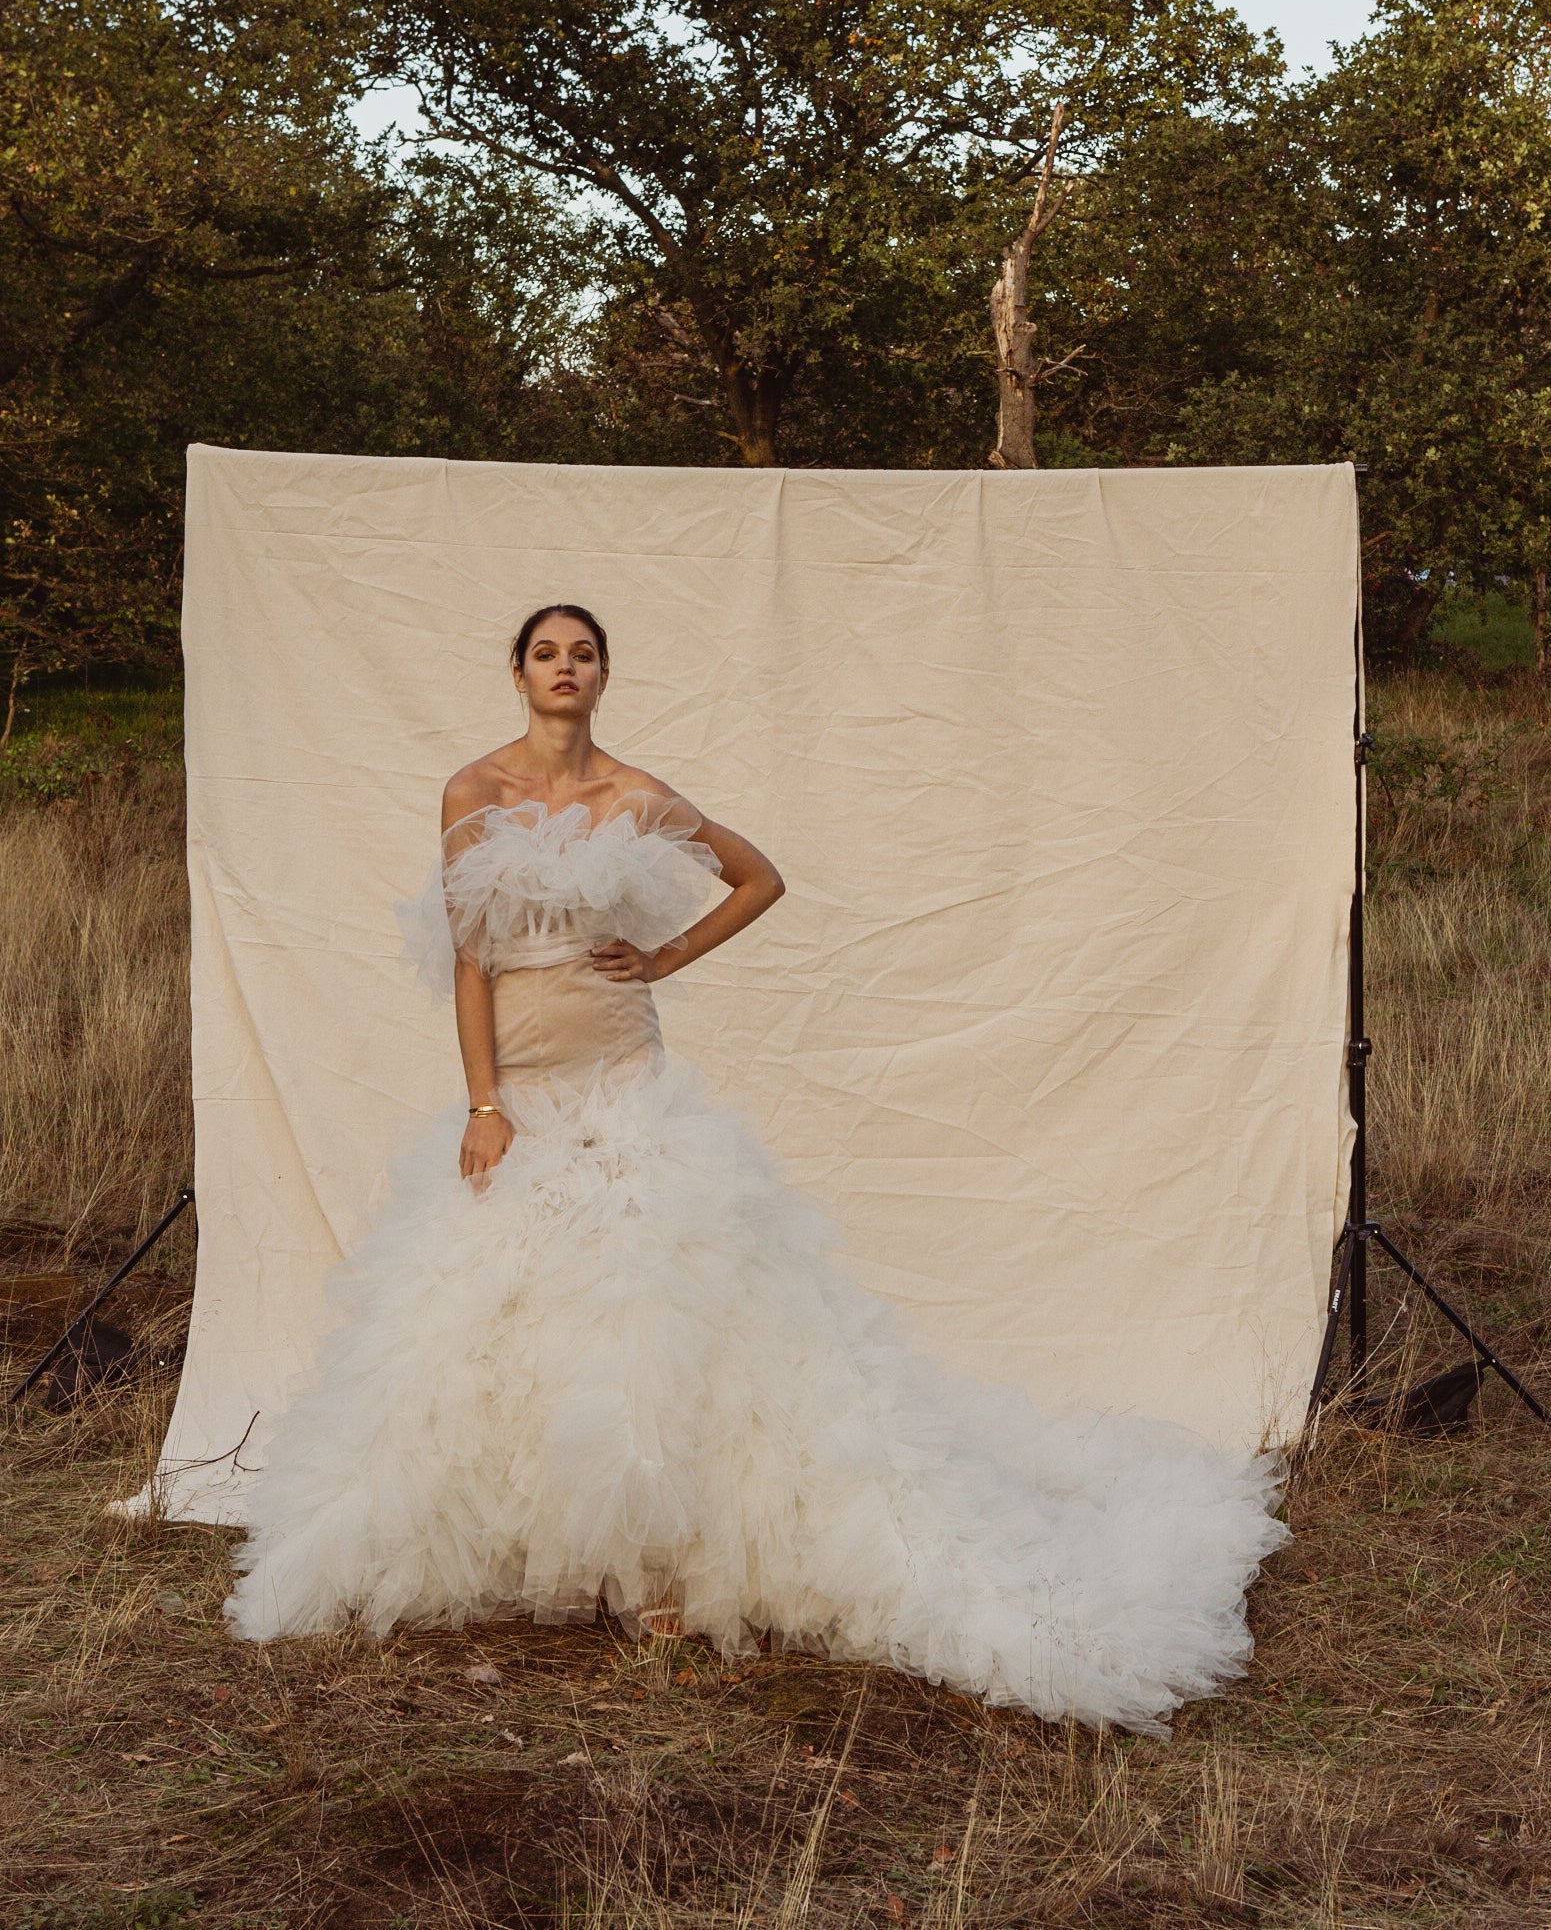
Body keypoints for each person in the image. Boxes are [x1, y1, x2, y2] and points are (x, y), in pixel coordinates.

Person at [224, 602, 1289, 1735]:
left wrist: (667, 955)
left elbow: (756, 876)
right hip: (525, 1098)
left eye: (583, 655)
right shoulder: (471, 794)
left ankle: (661, 1575)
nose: (565, 670)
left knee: (646, 1317)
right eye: (547, 654)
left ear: (602, 675)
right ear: (519, 673)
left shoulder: (633, 793)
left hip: (630, 1083)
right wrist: (485, 1104)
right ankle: (558, 1552)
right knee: (500, 1319)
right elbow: (472, 961)